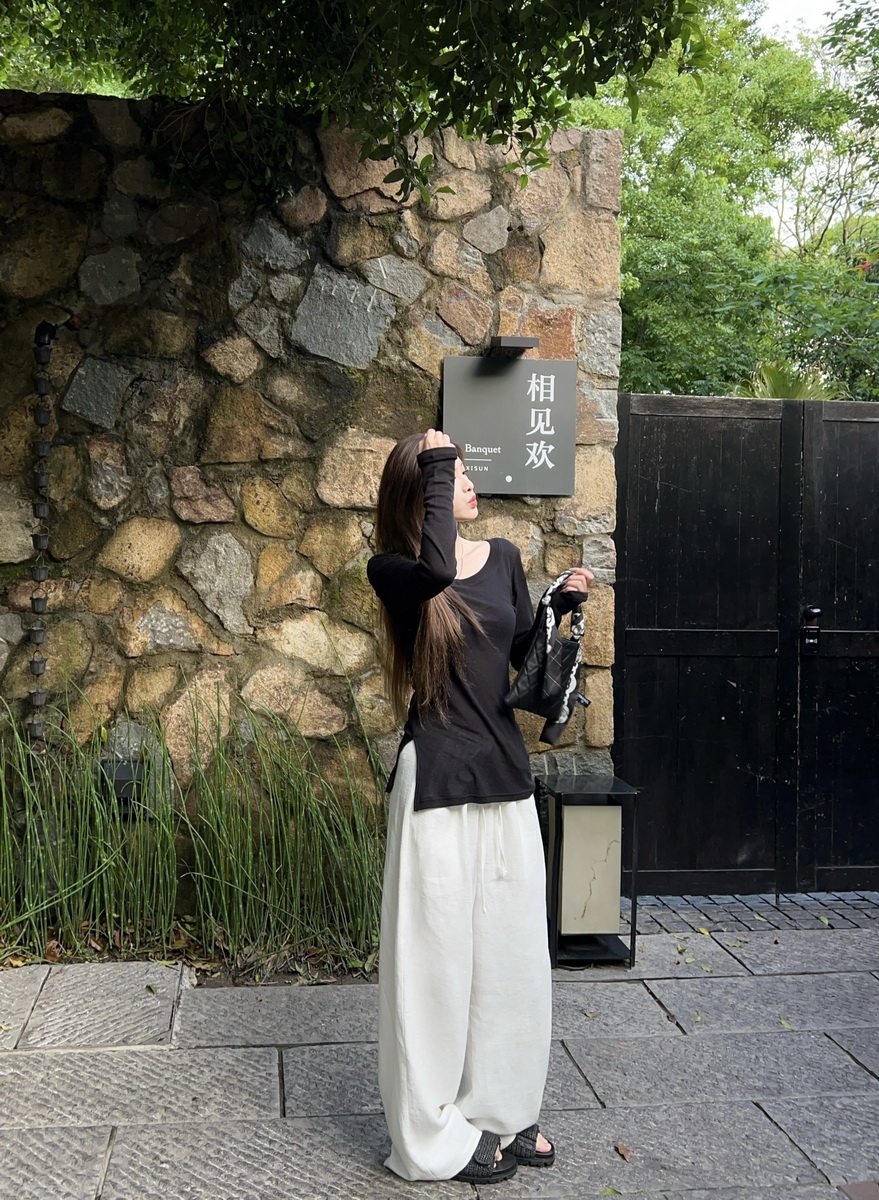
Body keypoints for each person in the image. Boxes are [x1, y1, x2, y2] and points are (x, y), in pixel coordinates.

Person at [367, 428, 593, 1184]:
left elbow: (520, 664)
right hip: (435, 784)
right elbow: (437, 570)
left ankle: (502, 1110)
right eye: (451, 473)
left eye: (461, 470)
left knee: (510, 963)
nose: (467, 483)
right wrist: (433, 459)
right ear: (421, 489)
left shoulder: (501, 558)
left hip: (503, 779)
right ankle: (434, 1132)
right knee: (433, 971)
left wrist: (556, 607)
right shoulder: (394, 570)